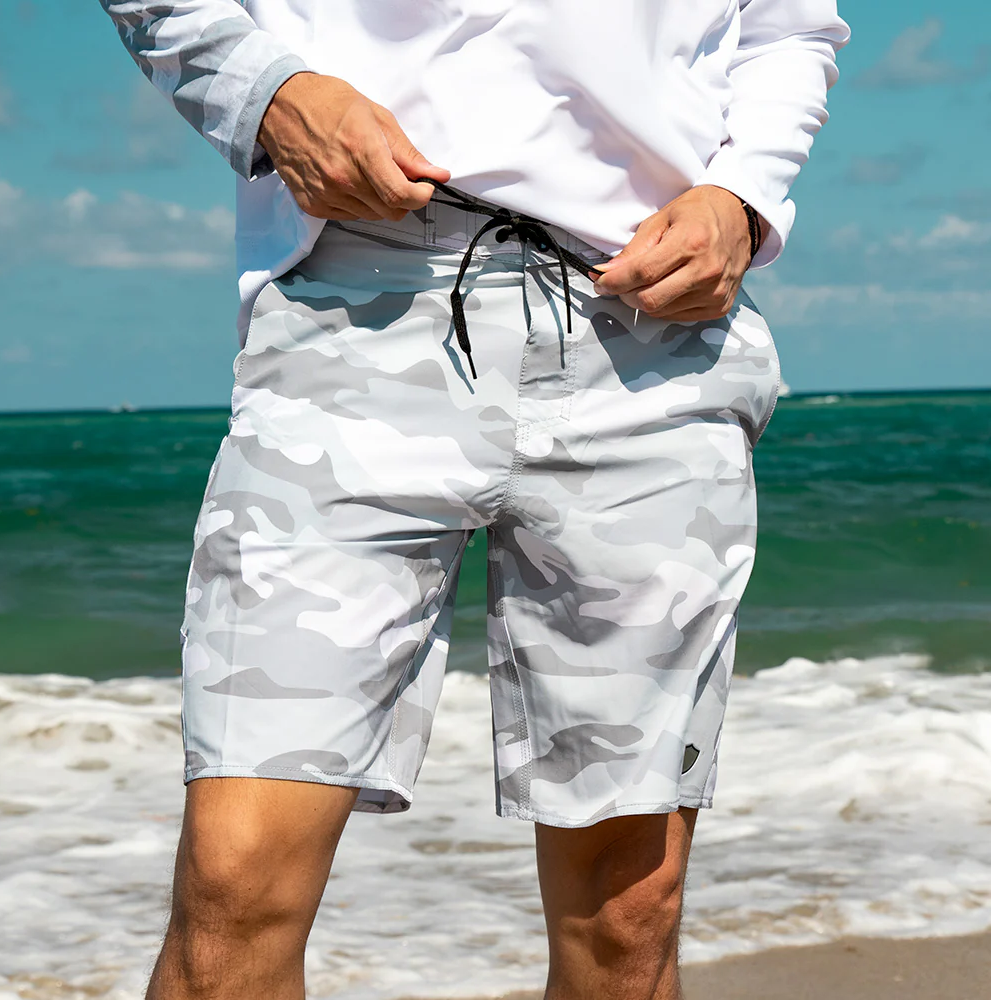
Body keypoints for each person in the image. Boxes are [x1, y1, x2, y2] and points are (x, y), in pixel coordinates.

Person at [99, 2, 849, 998]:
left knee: (627, 919)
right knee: (236, 882)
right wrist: (267, 92)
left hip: (649, 329)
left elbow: (791, 25)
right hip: (352, 306)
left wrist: (743, 192)